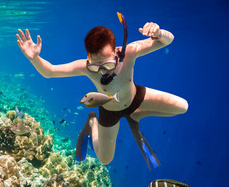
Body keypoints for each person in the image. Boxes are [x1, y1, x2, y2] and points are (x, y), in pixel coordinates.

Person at [16, 13, 188, 169]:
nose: (104, 71)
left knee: (182, 106)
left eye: (108, 65)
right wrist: (35, 58)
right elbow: (50, 71)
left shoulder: (130, 52)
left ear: (116, 52)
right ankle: (93, 123)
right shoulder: (85, 67)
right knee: (105, 160)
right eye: (96, 66)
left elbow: (167, 40)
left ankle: (137, 113)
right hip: (109, 110)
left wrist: (159, 33)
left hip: (136, 98)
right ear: (88, 58)